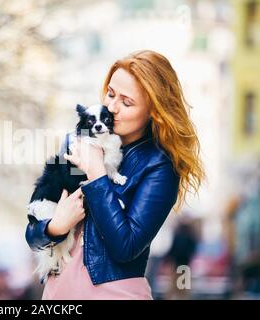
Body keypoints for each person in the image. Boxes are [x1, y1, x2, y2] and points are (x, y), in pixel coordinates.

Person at [25, 50, 205, 300]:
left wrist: (97, 173)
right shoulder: (79, 142)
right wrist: (56, 227)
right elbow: (33, 230)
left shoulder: (159, 166)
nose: (112, 106)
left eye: (126, 102)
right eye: (110, 94)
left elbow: (126, 246)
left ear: (153, 111)